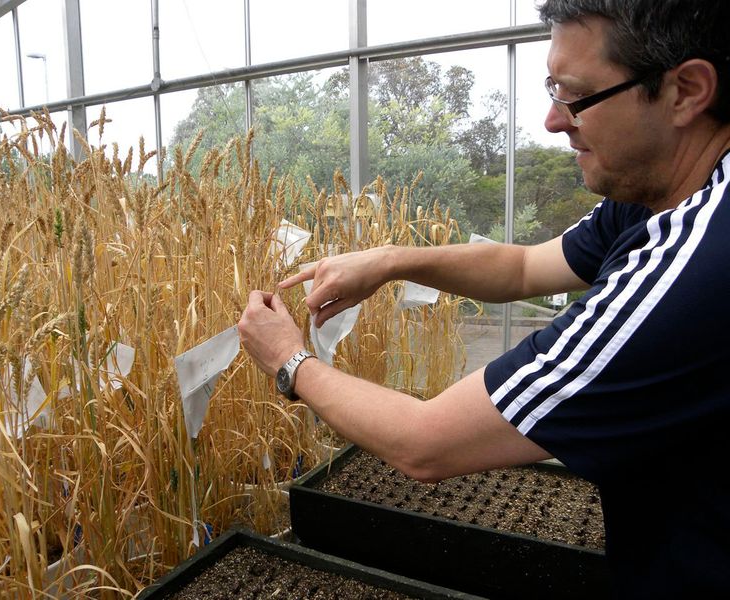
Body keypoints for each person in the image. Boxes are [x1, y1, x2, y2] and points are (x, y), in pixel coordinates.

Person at [238, 0, 730, 596]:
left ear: (686, 91)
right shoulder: (658, 192)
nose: (553, 119)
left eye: (575, 94)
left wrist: (290, 360)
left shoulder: (697, 266)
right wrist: (389, 260)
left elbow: (426, 443)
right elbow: (523, 265)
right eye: (552, 87)